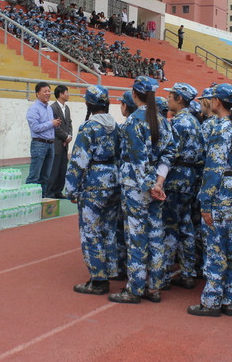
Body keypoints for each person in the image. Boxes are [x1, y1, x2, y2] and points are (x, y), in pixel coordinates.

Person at [109, 76, 173, 304]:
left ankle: (135, 288)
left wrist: (150, 186)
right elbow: (168, 154)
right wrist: (159, 182)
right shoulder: (162, 120)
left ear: (134, 95)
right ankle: (154, 287)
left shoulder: (133, 122)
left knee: (136, 237)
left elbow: (137, 160)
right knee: (155, 236)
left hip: (136, 188)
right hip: (156, 187)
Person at [187, 83, 232, 317]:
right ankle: (229, 298)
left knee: (215, 249)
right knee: (230, 248)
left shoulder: (221, 129)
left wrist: (206, 203)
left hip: (219, 194)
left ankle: (211, 301)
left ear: (217, 102)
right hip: (231, 192)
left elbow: (213, 168)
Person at [65, 85, 121, 295]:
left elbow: (79, 160)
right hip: (113, 181)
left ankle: (98, 279)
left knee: (91, 230)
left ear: (89, 104)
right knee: (108, 229)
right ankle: (111, 269)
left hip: (94, 182)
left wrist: (70, 188)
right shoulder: (115, 126)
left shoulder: (88, 128)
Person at [162, 83, 203, 290]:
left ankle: (164, 274)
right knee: (186, 226)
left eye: (170, 96)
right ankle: (188, 272)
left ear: (179, 98)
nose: (167, 99)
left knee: (170, 226)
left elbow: (170, 152)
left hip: (176, 178)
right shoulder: (194, 122)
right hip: (190, 179)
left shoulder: (179, 123)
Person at [26, 82, 61, 196]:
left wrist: (54, 124)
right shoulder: (34, 109)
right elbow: (35, 128)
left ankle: (42, 200)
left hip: (50, 144)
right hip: (39, 144)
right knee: (34, 175)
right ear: (37, 94)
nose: (47, 94)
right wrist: (51, 123)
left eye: (49, 91)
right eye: (44, 91)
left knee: (46, 176)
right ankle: (29, 201)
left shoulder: (49, 109)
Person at [49, 85, 73, 199]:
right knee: (54, 168)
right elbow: (55, 127)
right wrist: (65, 137)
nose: (68, 94)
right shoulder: (53, 108)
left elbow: (69, 123)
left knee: (63, 168)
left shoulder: (67, 108)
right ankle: (50, 192)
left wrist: (69, 136)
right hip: (57, 143)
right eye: (66, 92)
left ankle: (58, 191)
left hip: (64, 144)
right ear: (61, 94)